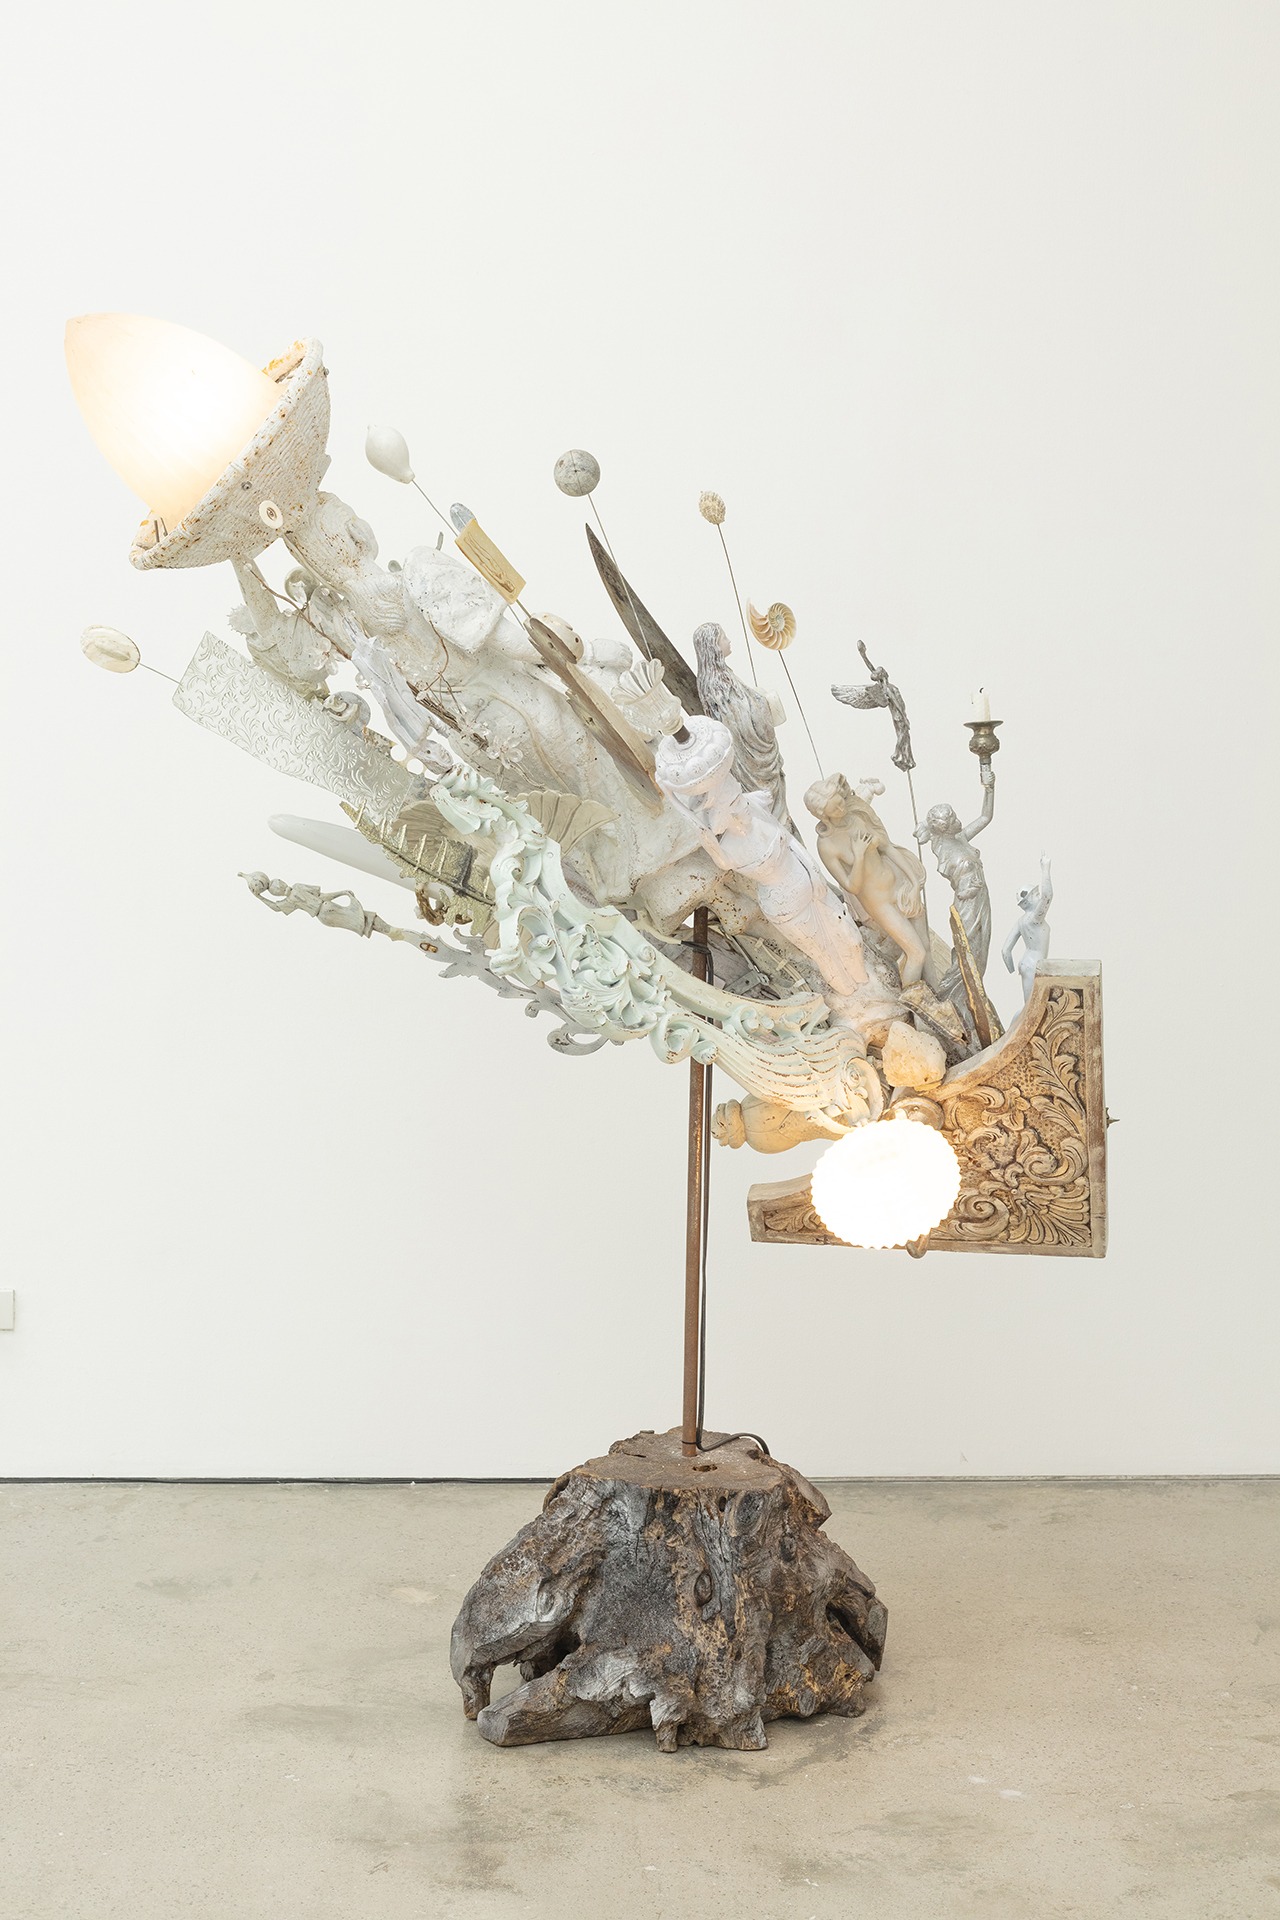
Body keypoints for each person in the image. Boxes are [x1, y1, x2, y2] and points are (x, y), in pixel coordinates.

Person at [806, 774, 929, 986]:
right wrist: (859, 855)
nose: (841, 809)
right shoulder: (827, 845)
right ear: (823, 815)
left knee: (926, 947)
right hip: (879, 903)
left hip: (899, 885)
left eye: (840, 802)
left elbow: (888, 848)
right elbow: (852, 887)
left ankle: (936, 994)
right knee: (916, 954)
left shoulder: (856, 819)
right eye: (834, 809)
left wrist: (914, 884)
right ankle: (914, 1003)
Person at [1002, 856, 1053, 1002]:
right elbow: (1047, 896)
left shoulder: (1021, 921)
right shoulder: (1035, 919)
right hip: (1034, 965)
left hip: (1029, 964)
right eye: (1035, 894)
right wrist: (1045, 869)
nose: (1039, 896)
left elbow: (1005, 951)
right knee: (1031, 1007)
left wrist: (1011, 969)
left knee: (1031, 1006)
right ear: (1026, 902)